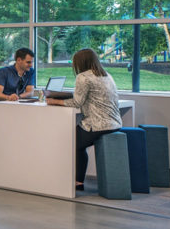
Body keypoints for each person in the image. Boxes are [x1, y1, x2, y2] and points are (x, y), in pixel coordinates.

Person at [47, 48, 121, 191]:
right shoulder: (106, 75)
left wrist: (54, 101)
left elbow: (77, 103)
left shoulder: (83, 77)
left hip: (97, 125)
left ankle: (70, 180)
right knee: (78, 145)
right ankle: (78, 181)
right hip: (115, 123)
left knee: (70, 141)